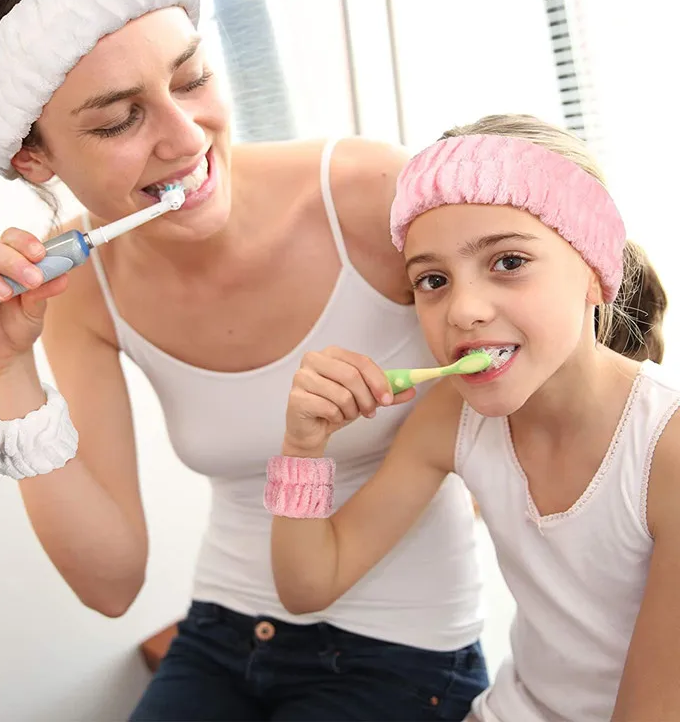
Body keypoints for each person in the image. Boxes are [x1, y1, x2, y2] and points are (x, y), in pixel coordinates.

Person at [0, 0, 488, 719]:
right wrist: (7, 374)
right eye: (118, 120)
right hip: (220, 633)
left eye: (192, 79)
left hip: (406, 651)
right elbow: (111, 584)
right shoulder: (76, 285)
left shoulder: (372, 195)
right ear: (34, 159)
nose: (186, 139)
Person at [268, 113, 678, 722]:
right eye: (433, 280)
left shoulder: (666, 452)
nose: (462, 310)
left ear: (594, 273)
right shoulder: (454, 416)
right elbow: (308, 586)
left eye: (508, 262)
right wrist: (302, 448)